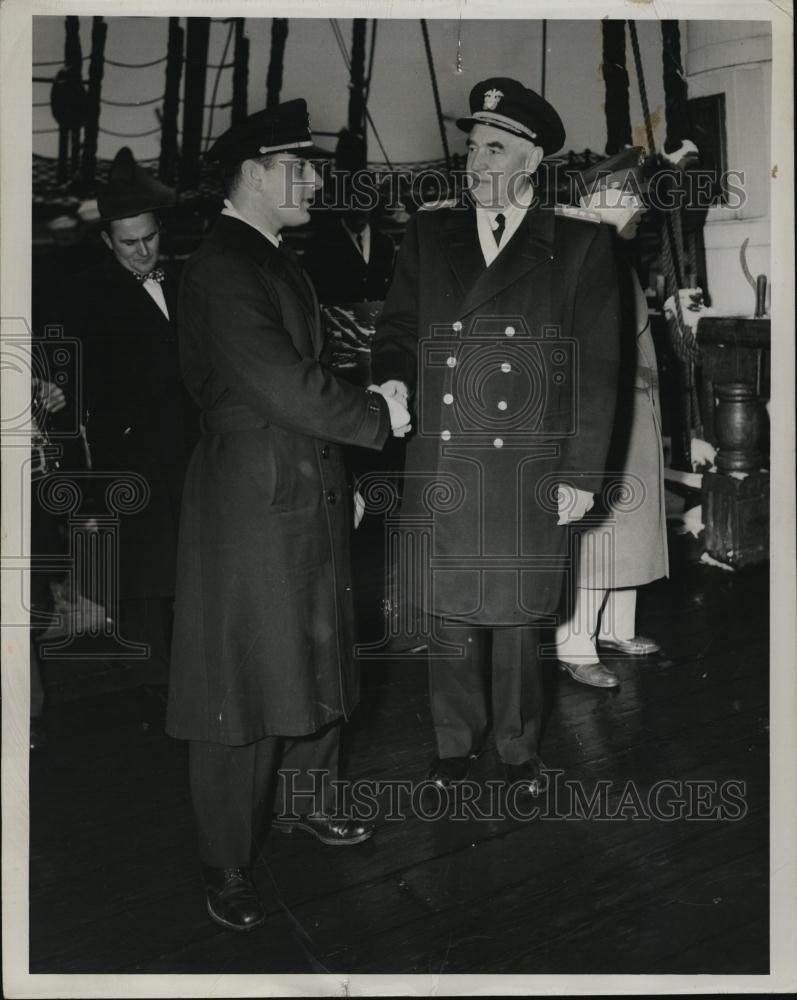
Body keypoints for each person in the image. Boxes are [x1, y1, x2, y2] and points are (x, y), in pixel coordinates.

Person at [165, 100, 410, 932]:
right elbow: (276, 380)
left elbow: (298, 375)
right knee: (242, 673)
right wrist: (375, 414)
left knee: (315, 651)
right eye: (298, 167)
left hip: (300, 480)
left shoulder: (269, 255)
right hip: (253, 493)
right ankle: (227, 858)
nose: (313, 179)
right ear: (253, 175)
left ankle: (309, 801)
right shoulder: (222, 265)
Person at [371, 78, 621, 794]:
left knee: (516, 617)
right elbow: (394, 331)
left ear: (532, 160)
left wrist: (580, 474)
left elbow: (598, 368)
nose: (475, 162)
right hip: (445, 452)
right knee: (446, 612)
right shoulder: (427, 234)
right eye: (472, 147)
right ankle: (453, 743)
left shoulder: (577, 246)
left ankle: (517, 749)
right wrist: (390, 377)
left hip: (527, 462)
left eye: (494, 148)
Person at [64, 147, 192, 705]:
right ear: (106, 242)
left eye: (150, 238)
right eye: (128, 243)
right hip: (133, 456)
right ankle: (152, 689)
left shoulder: (186, 280)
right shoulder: (88, 298)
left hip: (191, 448)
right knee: (145, 575)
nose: (142, 252)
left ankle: (189, 678)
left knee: (189, 566)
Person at [554, 147, 668, 687]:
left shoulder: (615, 256)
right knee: (598, 531)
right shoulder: (578, 254)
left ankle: (617, 628)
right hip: (602, 416)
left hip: (636, 411)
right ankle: (576, 646)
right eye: (631, 196)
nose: (641, 206)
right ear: (598, 198)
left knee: (633, 525)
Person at [303, 196, 396, 305]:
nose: (358, 208)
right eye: (352, 202)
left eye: (365, 201)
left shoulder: (386, 243)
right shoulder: (319, 243)